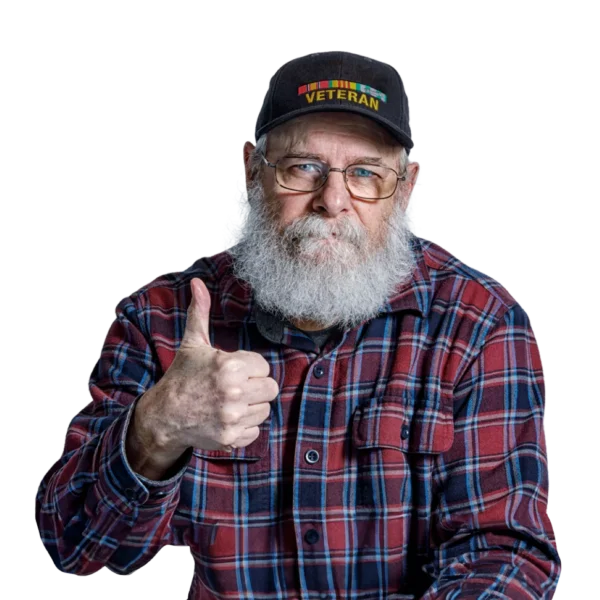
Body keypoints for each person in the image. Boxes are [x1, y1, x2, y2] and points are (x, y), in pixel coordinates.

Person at [35, 51, 562, 599]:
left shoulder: (479, 324)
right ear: (252, 170)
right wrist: (155, 430)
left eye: (365, 173)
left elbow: (506, 553)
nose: (332, 201)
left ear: (405, 188)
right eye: (303, 167)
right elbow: (77, 547)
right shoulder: (161, 319)